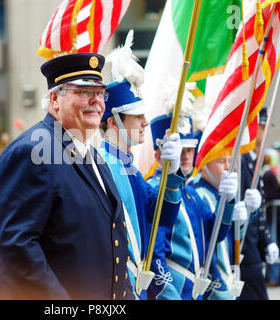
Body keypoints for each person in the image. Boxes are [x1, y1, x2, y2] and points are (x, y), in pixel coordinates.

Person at [0, 53, 134, 300]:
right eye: (83, 92)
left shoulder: (94, 157)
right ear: (54, 99)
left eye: (100, 92)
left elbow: (113, 239)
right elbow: (18, 248)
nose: (95, 100)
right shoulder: (32, 151)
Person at [99, 79, 185, 299]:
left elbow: (162, 217)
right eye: (137, 116)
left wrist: (172, 174)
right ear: (114, 121)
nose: (145, 122)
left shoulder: (132, 170)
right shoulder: (100, 165)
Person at [147, 113, 244, 300]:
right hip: (175, 286)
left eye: (190, 150)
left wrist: (227, 201)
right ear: (159, 154)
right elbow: (155, 253)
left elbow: (214, 234)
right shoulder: (155, 188)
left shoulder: (191, 193)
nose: (185, 157)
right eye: (180, 150)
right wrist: (167, 293)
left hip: (194, 289)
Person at [191, 152, 263, 299]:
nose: (228, 166)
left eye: (231, 161)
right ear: (205, 163)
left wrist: (244, 220)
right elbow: (210, 246)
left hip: (228, 276)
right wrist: (219, 288)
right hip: (215, 279)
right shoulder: (200, 194)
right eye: (221, 161)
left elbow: (230, 240)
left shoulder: (220, 193)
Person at [238, 108, 279, 300]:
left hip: (254, 244)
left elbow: (259, 211)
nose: (266, 131)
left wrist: (268, 240)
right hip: (245, 246)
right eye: (263, 126)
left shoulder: (255, 161)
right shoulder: (242, 160)